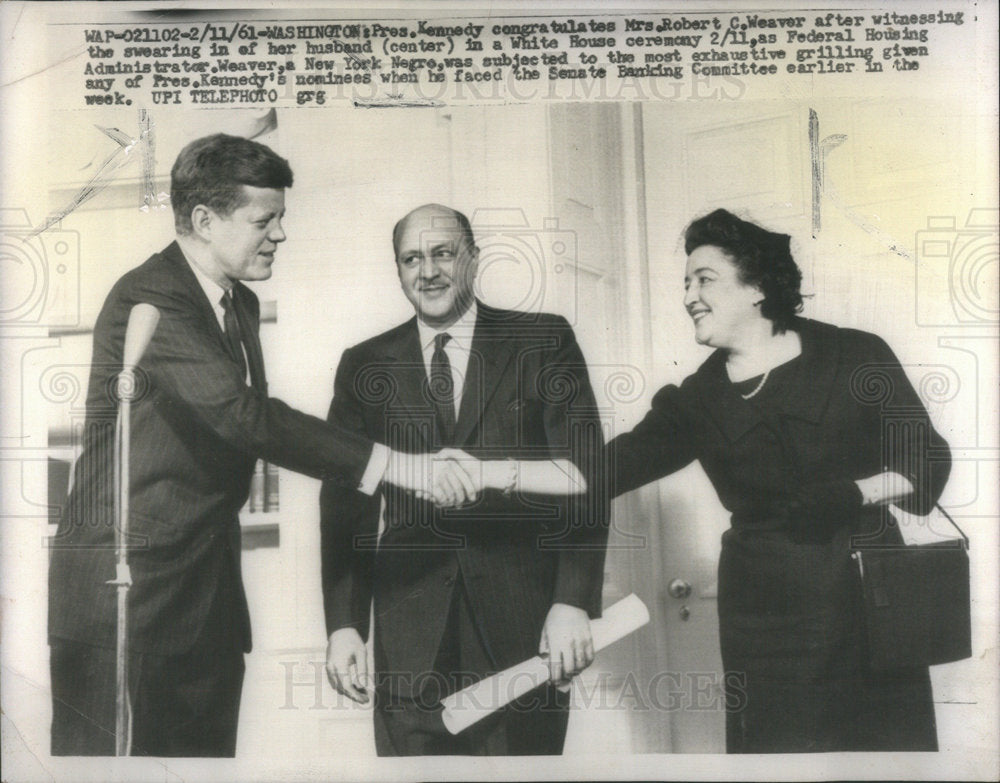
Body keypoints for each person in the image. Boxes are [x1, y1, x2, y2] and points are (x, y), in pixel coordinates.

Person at [47, 135, 471, 757]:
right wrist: (396, 465)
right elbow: (242, 416)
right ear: (202, 220)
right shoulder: (151, 298)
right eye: (262, 220)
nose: (279, 235)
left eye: (281, 219)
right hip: (125, 601)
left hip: (205, 602)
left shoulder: (237, 302)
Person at [605, 208, 952, 753]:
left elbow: (928, 459)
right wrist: (485, 473)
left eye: (705, 279)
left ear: (758, 288)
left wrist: (856, 492)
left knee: (887, 757)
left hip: (869, 605)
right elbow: (601, 471)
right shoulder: (697, 398)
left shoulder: (854, 354)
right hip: (765, 623)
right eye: (686, 282)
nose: (689, 295)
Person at [321, 203, 608, 755]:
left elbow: (587, 479)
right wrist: (344, 624)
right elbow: (343, 507)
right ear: (398, 270)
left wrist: (573, 600)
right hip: (410, 633)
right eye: (411, 259)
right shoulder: (364, 364)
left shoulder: (543, 340)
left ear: (473, 259)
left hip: (523, 626)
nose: (426, 271)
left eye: (442, 253)